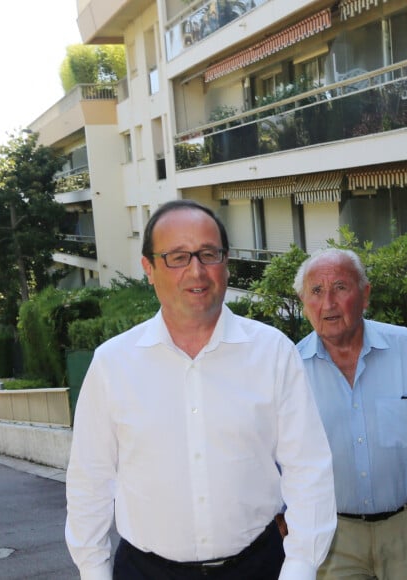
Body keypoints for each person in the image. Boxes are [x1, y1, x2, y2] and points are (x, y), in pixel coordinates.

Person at [65, 199, 337, 580]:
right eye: (177, 257)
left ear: (225, 263)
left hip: (258, 567)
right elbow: (89, 482)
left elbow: (308, 470)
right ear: (149, 268)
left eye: (209, 254)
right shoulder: (113, 364)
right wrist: (94, 572)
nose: (197, 271)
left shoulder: (272, 352)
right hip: (145, 572)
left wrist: (300, 567)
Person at [291, 247, 407, 579]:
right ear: (304, 303)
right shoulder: (291, 368)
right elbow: (276, 459)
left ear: (365, 295)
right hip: (330, 536)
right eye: (316, 291)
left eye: (340, 288)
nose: (328, 303)